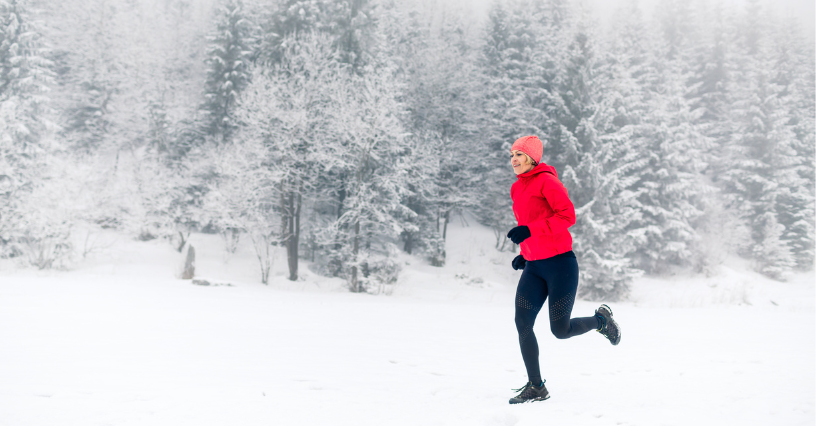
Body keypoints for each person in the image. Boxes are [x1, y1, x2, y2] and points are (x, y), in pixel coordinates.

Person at [506, 135, 621, 405]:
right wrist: (525, 254)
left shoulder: (548, 181)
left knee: (561, 330)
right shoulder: (516, 189)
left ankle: (602, 321)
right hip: (534, 267)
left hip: (560, 265)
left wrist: (530, 231)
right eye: (511, 155)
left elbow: (567, 216)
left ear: (533, 158)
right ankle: (536, 387)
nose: (513, 160)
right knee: (522, 323)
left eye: (519, 155)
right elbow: (529, 222)